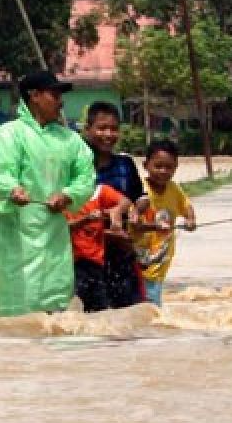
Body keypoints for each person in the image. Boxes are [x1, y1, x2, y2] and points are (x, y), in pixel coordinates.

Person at [0, 70, 97, 317]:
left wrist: (68, 195)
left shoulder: (70, 140)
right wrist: (12, 190)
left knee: (55, 303)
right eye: (54, 94)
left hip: (54, 234)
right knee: (20, 311)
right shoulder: (9, 134)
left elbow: (86, 177)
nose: (60, 101)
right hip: (16, 236)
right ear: (34, 96)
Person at [80, 101, 146, 308]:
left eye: (113, 129)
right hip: (87, 257)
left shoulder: (125, 164)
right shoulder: (78, 167)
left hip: (122, 251)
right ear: (88, 129)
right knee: (94, 316)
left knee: (130, 314)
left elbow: (141, 197)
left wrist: (131, 210)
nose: (108, 134)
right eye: (101, 128)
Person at [131, 140, 196, 306]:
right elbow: (134, 223)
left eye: (169, 167)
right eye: (158, 166)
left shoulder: (174, 189)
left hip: (160, 262)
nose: (163, 171)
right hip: (136, 260)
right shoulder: (140, 190)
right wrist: (155, 226)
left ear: (176, 167)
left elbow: (186, 206)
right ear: (146, 165)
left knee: (151, 304)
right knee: (146, 306)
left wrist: (190, 220)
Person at [65, 183, 131, 313]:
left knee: (100, 310)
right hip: (72, 263)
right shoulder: (62, 197)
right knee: (73, 306)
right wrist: (86, 219)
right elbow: (64, 228)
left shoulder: (100, 191)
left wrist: (116, 210)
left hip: (95, 263)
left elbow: (126, 202)